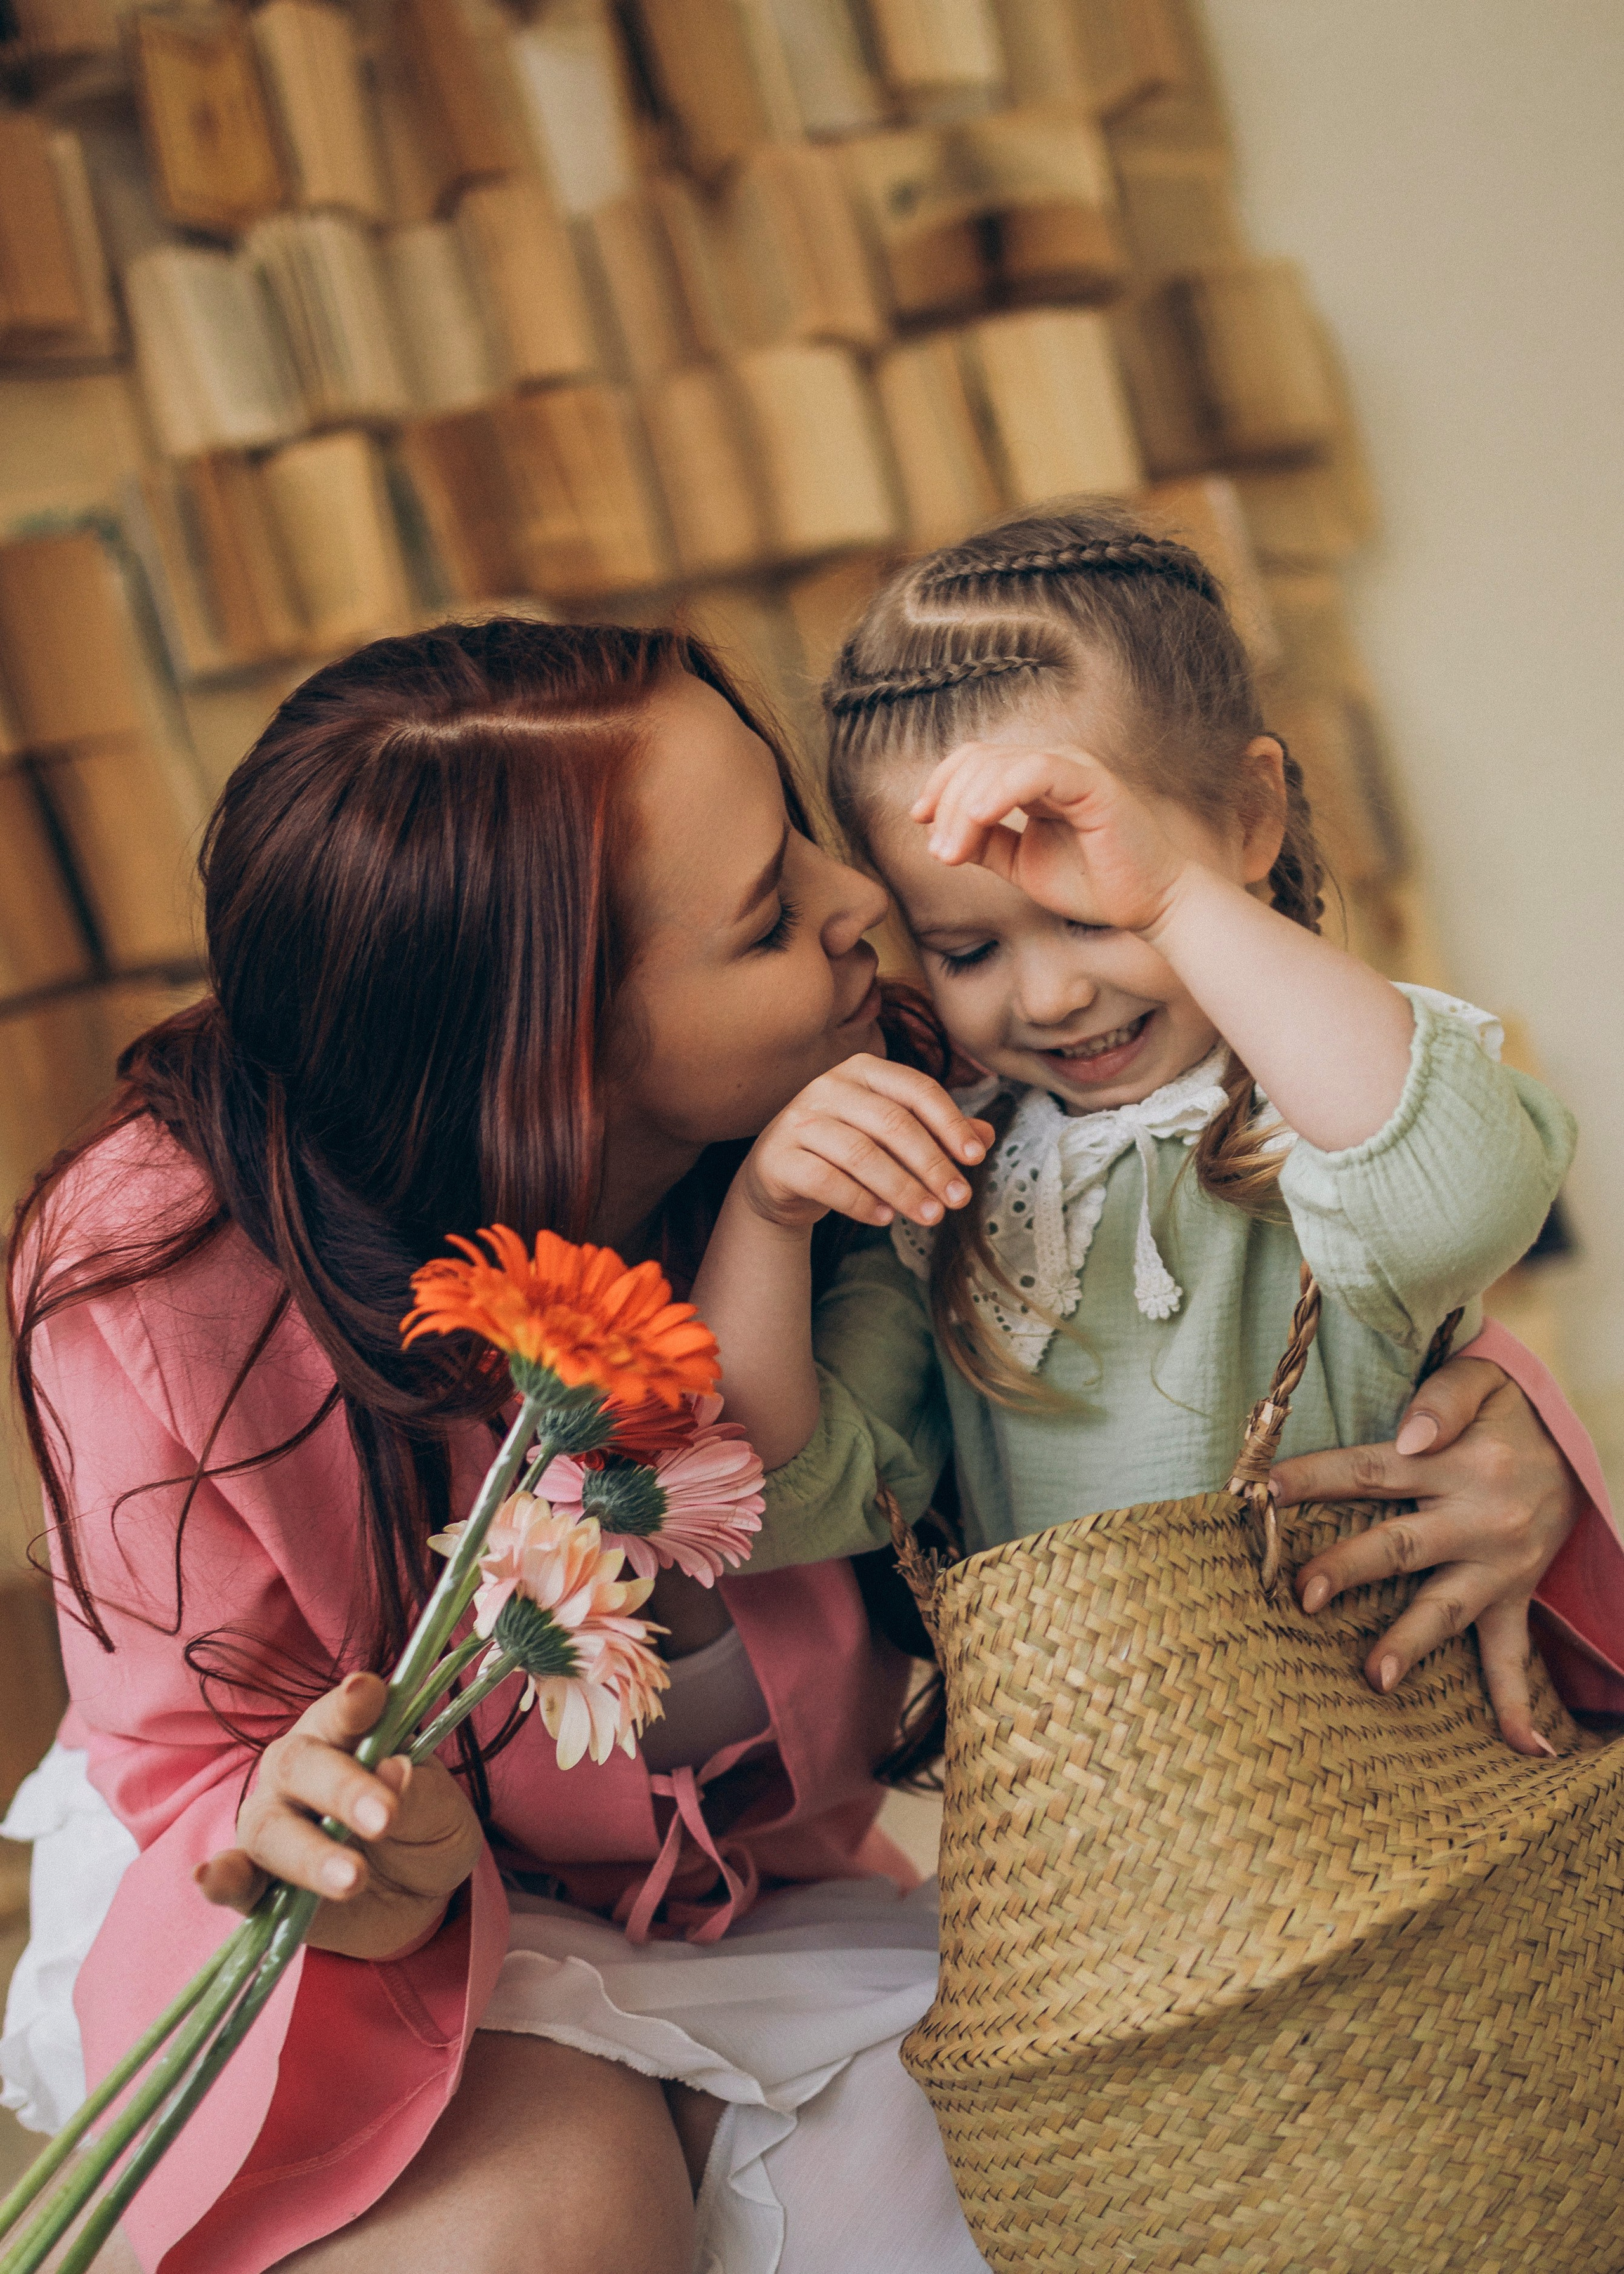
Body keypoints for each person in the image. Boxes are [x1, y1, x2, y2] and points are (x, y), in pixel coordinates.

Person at [4, 617, 1618, 2274]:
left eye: (794, 829)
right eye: (769, 915)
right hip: (358, 1944)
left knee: (1074, 2208)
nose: (861, 901)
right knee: (551, 2226)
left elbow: (1231, 1295)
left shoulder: (901, 1099)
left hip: (763, 1897)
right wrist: (338, 1850)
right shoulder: (157, 1271)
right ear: (554, 1051)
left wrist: (1501, 1433)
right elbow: (196, 1764)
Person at [692, 503, 1610, 1754]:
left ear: (1250, 817)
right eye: (965, 949)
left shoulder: (1329, 1097)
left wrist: (1175, 895)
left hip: (1396, 1770)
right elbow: (772, 1499)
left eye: (1094, 916)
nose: (1048, 996)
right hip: (1121, 1832)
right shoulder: (950, 1190)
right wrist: (765, 1216)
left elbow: (1456, 1200)